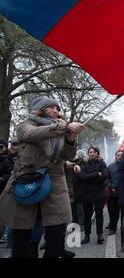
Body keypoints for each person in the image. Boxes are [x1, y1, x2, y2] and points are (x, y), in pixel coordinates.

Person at [0, 96, 84, 258]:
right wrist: (65, 127)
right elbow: (32, 134)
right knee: (21, 235)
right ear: (40, 109)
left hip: (55, 183)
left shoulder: (60, 129)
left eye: (58, 108)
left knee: (57, 231)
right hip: (26, 182)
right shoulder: (25, 125)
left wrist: (71, 140)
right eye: (51, 107)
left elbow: (67, 155)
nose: (56, 111)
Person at [76, 146, 108, 245]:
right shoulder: (85, 164)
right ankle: (87, 235)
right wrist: (95, 174)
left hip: (99, 193)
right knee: (87, 215)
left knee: (99, 214)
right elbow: (82, 176)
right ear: (88, 153)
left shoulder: (102, 164)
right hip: (87, 194)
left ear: (97, 153)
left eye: (94, 152)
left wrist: (90, 178)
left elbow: (104, 176)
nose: (92, 153)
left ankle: (99, 235)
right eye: (90, 152)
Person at [106, 150, 123, 235]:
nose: (120, 156)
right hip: (112, 194)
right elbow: (106, 178)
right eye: (118, 155)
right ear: (115, 156)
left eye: (121, 155)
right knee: (112, 212)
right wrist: (110, 186)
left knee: (122, 213)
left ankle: (123, 228)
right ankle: (112, 228)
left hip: (122, 194)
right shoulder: (110, 166)